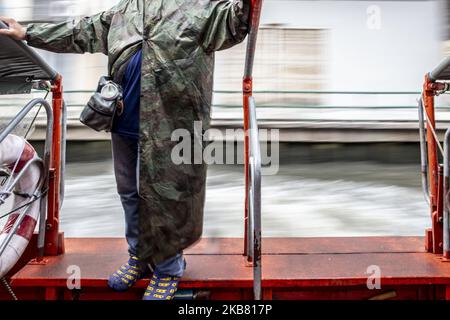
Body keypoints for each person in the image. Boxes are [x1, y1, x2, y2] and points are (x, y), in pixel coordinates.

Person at [0, 0, 250, 300]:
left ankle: (169, 269)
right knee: (130, 193)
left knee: (167, 198)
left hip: (172, 127)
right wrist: (28, 33)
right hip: (125, 122)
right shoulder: (124, 11)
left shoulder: (202, 9)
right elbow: (81, 31)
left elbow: (237, 21)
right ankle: (139, 257)